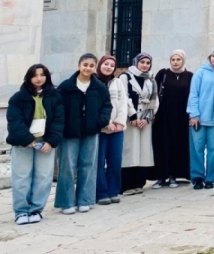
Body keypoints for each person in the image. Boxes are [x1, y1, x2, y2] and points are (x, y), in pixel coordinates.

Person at [55, 54, 112, 214]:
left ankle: (85, 200)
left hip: (90, 131)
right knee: (67, 166)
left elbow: (107, 105)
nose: (88, 68)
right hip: (69, 132)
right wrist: (62, 125)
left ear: (95, 68)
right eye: (85, 64)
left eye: (91, 65)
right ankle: (66, 202)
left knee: (88, 165)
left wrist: (101, 121)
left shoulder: (99, 87)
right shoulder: (66, 86)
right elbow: (58, 108)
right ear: (79, 65)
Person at [7, 64, 64, 224]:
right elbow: (15, 122)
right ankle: (21, 211)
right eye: (35, 75)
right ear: (29, 77)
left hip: (45, 143)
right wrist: (28, 140)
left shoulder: (54, 96)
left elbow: (59, 121)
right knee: (21, 176)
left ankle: (36, 209)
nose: (39, 78)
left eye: (42, 74)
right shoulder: (18, 98)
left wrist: (51, 141)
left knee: (43, 177)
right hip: (23, 143)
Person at [152, 50, 193, 188]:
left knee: (178, 145)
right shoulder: (162, 74)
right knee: (162, 145)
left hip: (181, 117)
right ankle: (161, 177)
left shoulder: (189, 76)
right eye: (173, 59)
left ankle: (174, 175)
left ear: (183, 60)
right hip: (163, 116)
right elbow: (154, 94)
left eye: (178, 59)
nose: (175, 62)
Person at [187, 47, 214, 189]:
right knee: (197, 149)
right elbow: (193, 94)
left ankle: (210, 178)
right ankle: (197, 177)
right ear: (209, 57)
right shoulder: (200, 73)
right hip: (199, 119)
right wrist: (194, 114)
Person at [119, 53, 157, 196]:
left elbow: (154, 100)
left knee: (143, 151)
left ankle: (139, 182)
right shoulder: (125, 77)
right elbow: (124, 97)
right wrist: (133, 116)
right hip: (131, 118)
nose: (145, 65)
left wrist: (146, 118)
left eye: (148, 62)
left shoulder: (151, 80)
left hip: (145, 119)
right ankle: (126, 184)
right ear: (136, 62)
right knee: (130, 150)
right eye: (142, 62)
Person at [95, 55, 128, 205]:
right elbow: (95, 106)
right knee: (99, 161)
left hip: (117, 128)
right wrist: (106, 122)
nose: (108, 67)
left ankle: (113, 190)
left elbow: (123, 102)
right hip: (100, 128)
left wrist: (119, 122)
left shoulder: (117, 82)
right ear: (100, 65)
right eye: (106, 64)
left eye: (111, 65)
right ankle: (101, 192)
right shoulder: (94, 82)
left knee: (115, 160)